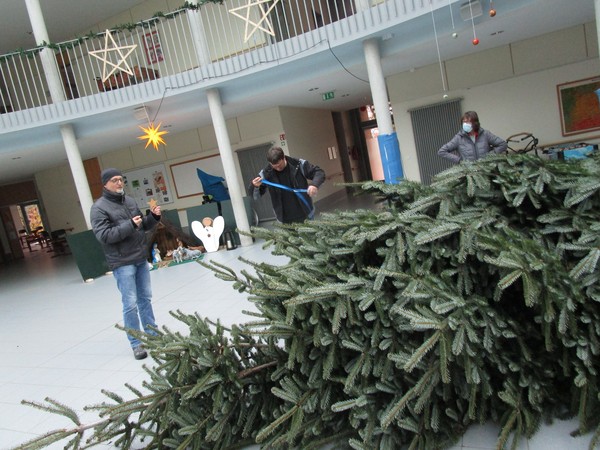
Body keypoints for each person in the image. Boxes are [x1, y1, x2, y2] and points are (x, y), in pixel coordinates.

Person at [90, 168, 161, 360]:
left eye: (121, 180)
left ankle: (153, 335)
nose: (119, 183)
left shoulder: (129, 201)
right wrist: (130, 224)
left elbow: (142, 226)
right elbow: (104, 236)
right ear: (105, 184)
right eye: (114, 180)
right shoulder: (99, 208)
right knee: (130, 304)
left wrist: (152, 218)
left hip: (139, 258)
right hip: (122, 263)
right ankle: (136, 343)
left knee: (145, 298)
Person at [251, 146, 325, 224]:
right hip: (284, 219)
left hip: (305, 214)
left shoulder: (299, 164)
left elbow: (319, 172)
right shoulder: (266, 173)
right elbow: (255, 195)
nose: (277, 169)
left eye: (279, 165)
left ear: (283, 158)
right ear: (270, 163)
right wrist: (255, 186)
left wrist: (314, 185)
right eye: (274, 166)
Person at [438, 111, 507, 163]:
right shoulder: (459, 138)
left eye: (468, 122)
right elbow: (442, 151)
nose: (465, 124)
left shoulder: (485, 134)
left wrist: (490, 155)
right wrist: (460, 160)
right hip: (470, 174)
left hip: (487, 171)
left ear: (475, 123)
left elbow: (503, 144)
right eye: (464, 122)